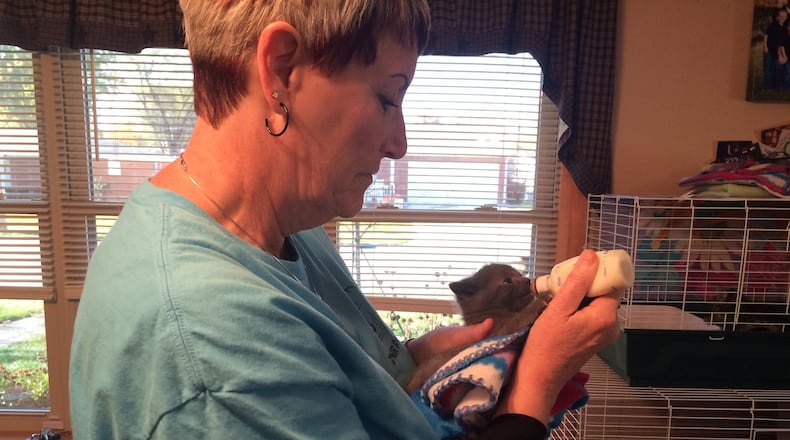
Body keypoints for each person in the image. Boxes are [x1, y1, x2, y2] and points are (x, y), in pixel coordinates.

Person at [68, 0, 622, 438]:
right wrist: (532, 388)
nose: (399, 143)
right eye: (388, 96)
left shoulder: (288, 227)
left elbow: (331, 375)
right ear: (281, 69)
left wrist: (414, 362)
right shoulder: (213, 354)